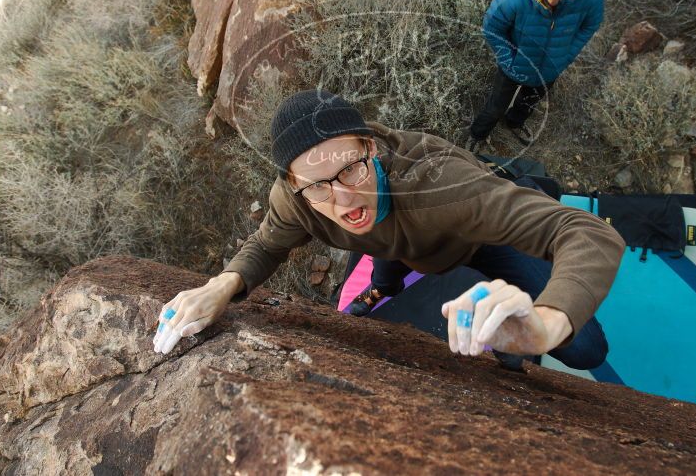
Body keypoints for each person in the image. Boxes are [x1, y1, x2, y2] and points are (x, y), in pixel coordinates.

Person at [153, 89, 624, 371]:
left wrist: (546, 326)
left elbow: (589, 234)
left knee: (586, 349)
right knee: (385, 269)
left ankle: (512, 348)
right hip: (394, 243)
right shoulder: (298, 197)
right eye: (317, 187)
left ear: (372, 148)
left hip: (474, 238)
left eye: (351, 170)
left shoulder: (441, 186)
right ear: (294, 184)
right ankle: (382, 287)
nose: (341, 199)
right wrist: (223, 284)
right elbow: (266, 244)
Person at [465, 0, 604, 152]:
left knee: (528, 103)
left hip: (549, 68)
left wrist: (565, 56)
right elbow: (492, 27)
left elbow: (590, 25)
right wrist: (508, 60)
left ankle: (514, 123)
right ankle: (478, 134)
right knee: (495, 107)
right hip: (514, 66)